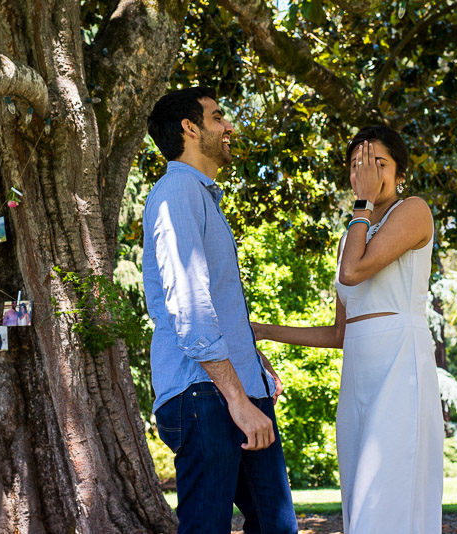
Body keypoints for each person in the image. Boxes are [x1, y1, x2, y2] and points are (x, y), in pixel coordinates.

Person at [252, 125, 443, 534]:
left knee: (389, 486)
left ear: (399, 172)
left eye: (380, 162)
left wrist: (362, 204)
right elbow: (341, 333)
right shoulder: (349, 238)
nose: (369, 171)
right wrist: (266, 330)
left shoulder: (413, 210)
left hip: (399, 362)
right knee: (360, 489)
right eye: (358, 164)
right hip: (357, 372)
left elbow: (354, 273)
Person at [143, 86, 297, 534]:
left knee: (276, 526)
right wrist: (236, 398)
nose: (228, 126)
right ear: (190, 128)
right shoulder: (176, 192)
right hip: (205, 396)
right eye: (217, 117)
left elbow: (219, 304)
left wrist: (252, 361)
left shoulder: (201, 195)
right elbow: (188, 304)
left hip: (237, 390)